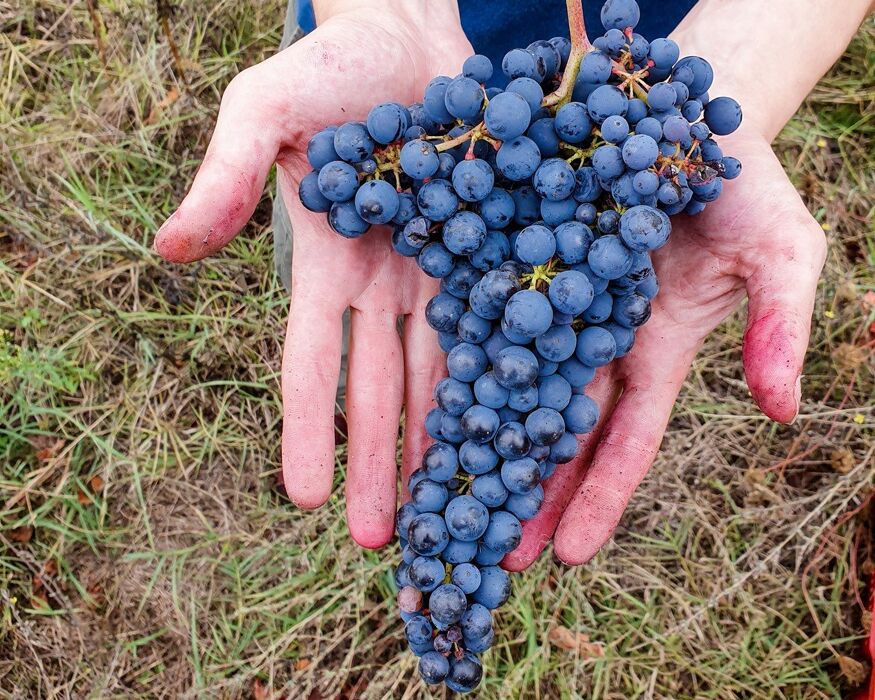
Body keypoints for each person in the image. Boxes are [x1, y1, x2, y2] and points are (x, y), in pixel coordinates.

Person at [153, 0, 872, 570]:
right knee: (359, 299)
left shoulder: (638, 127)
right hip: (413, 54)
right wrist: (378, 11)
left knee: (471, 339)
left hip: (647, 71)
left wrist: (748, 62)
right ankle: (358, 410)